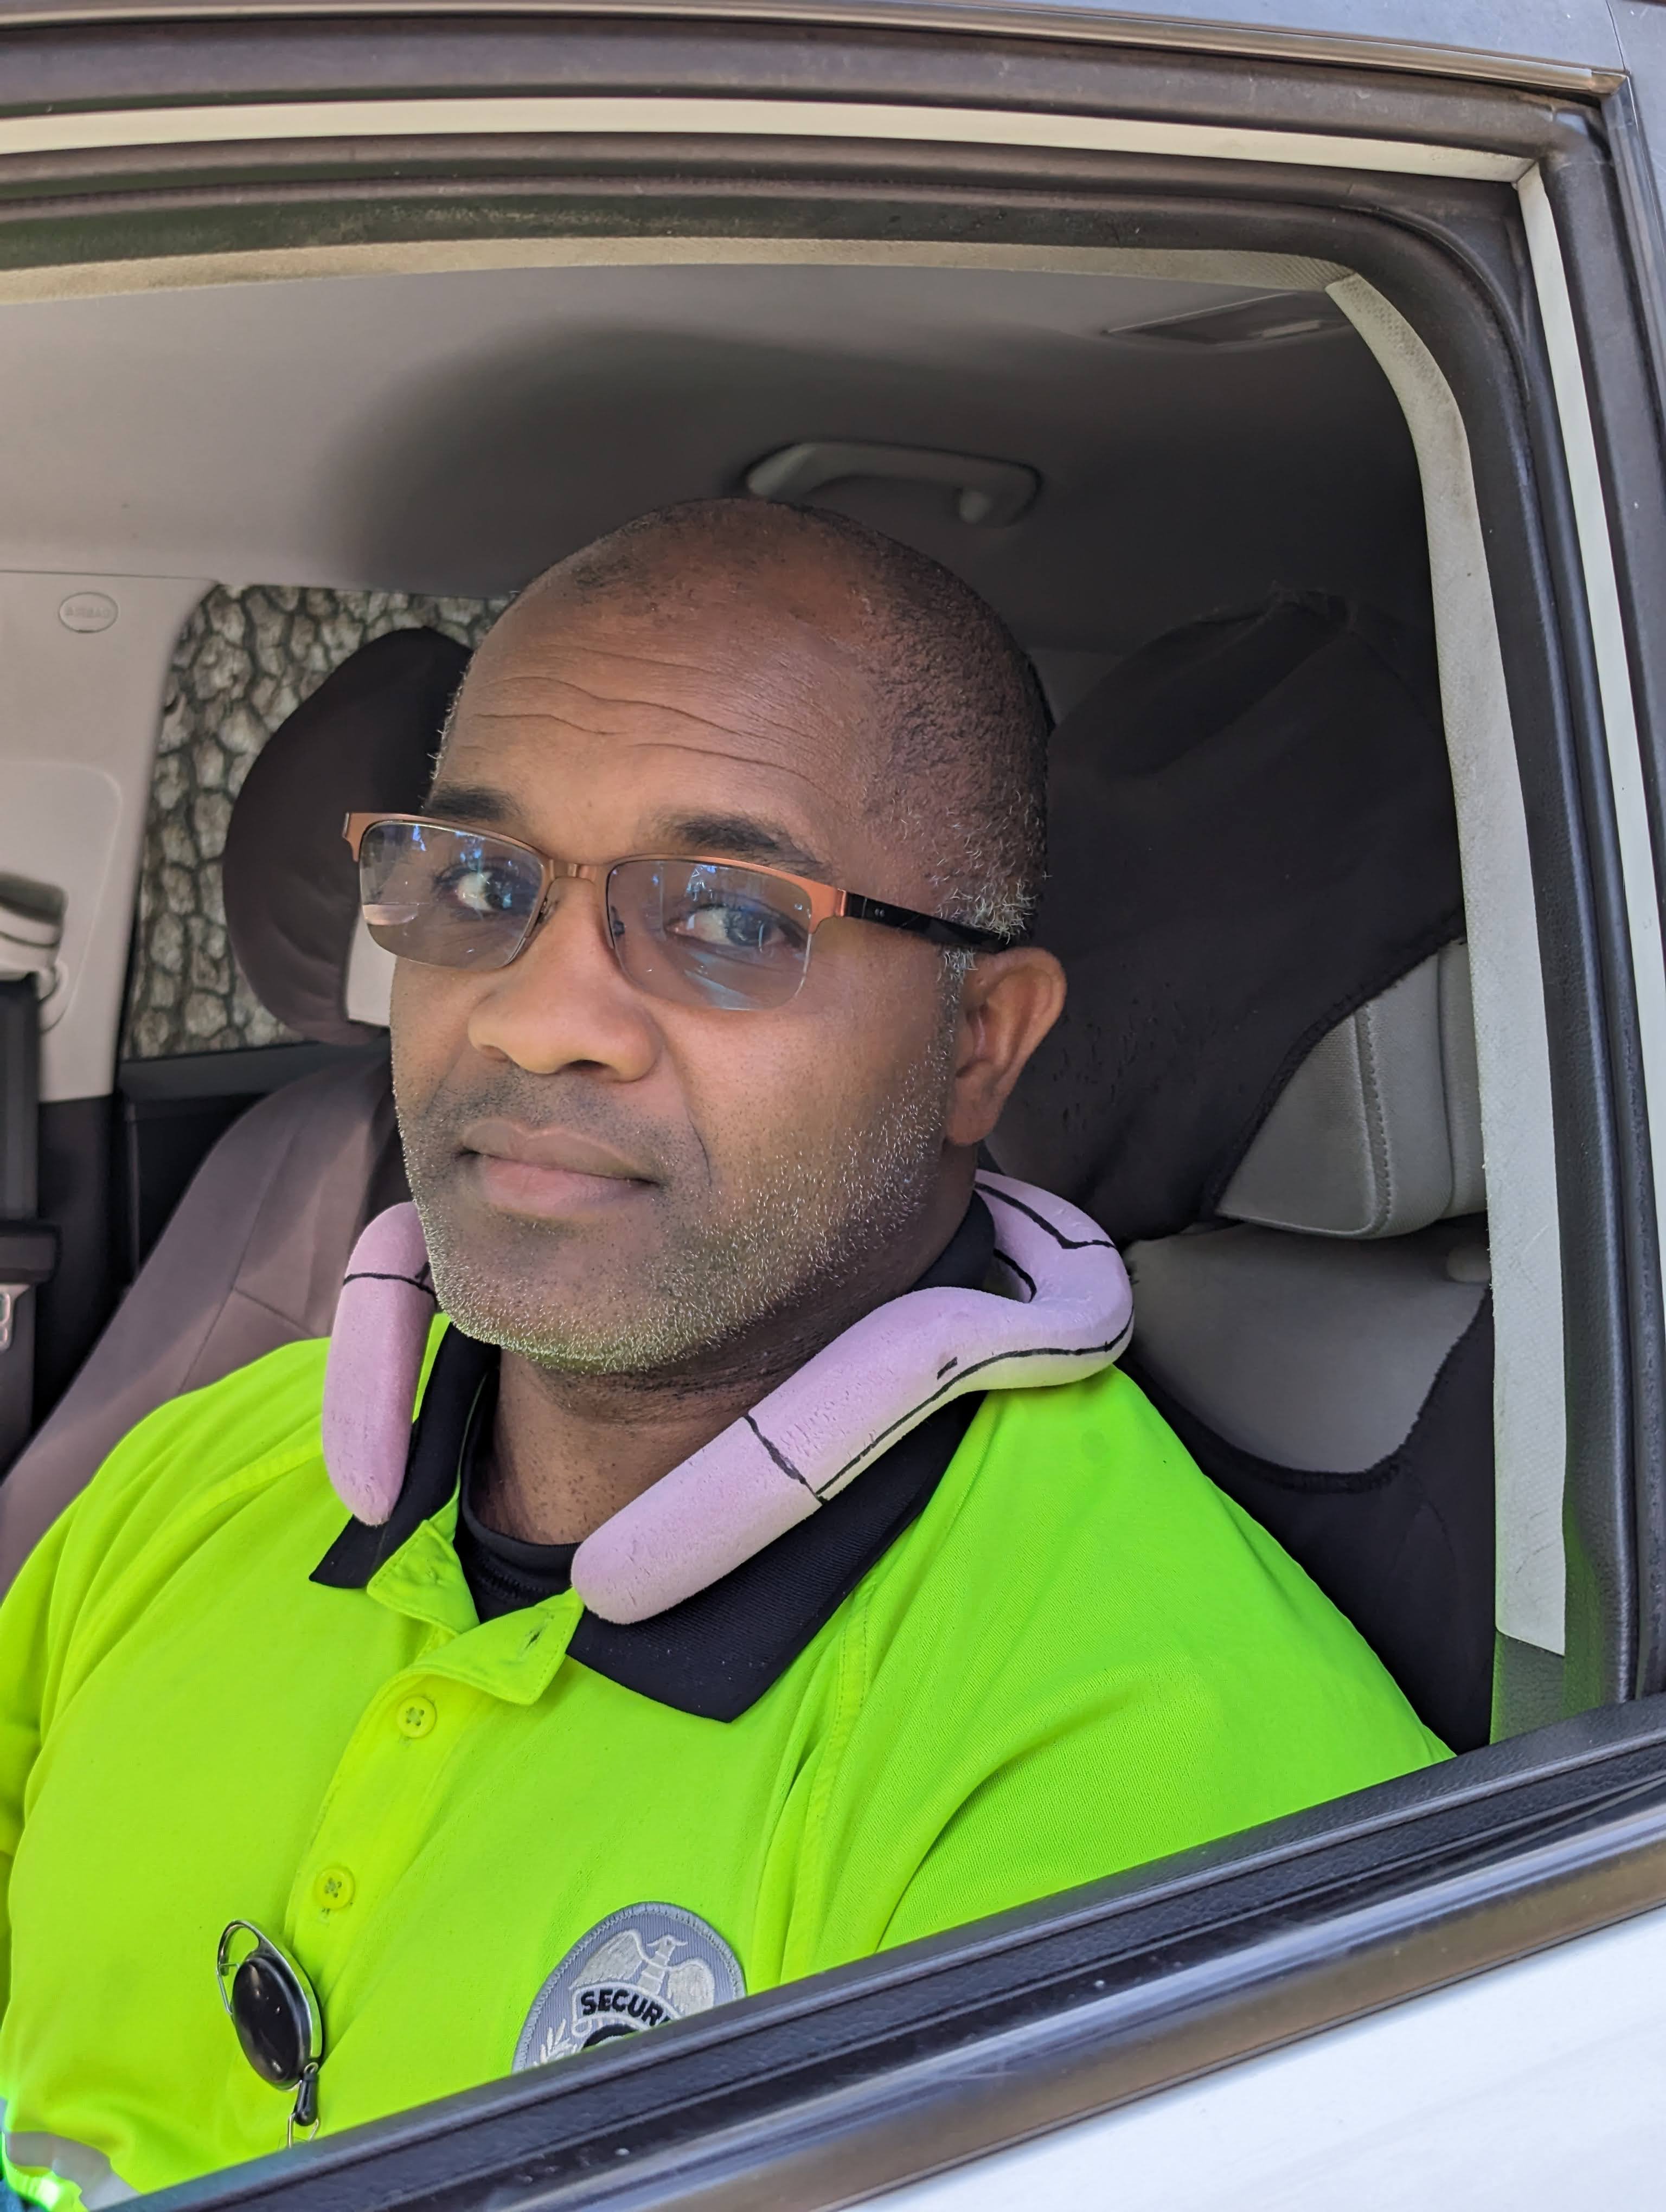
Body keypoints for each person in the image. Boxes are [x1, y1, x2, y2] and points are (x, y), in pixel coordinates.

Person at [0, 501, 1443, 2208]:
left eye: (732, 918)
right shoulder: (206, 1472)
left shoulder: (1158, 1774)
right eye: (480, 884)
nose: (539, 1017)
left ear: (979, 1045)